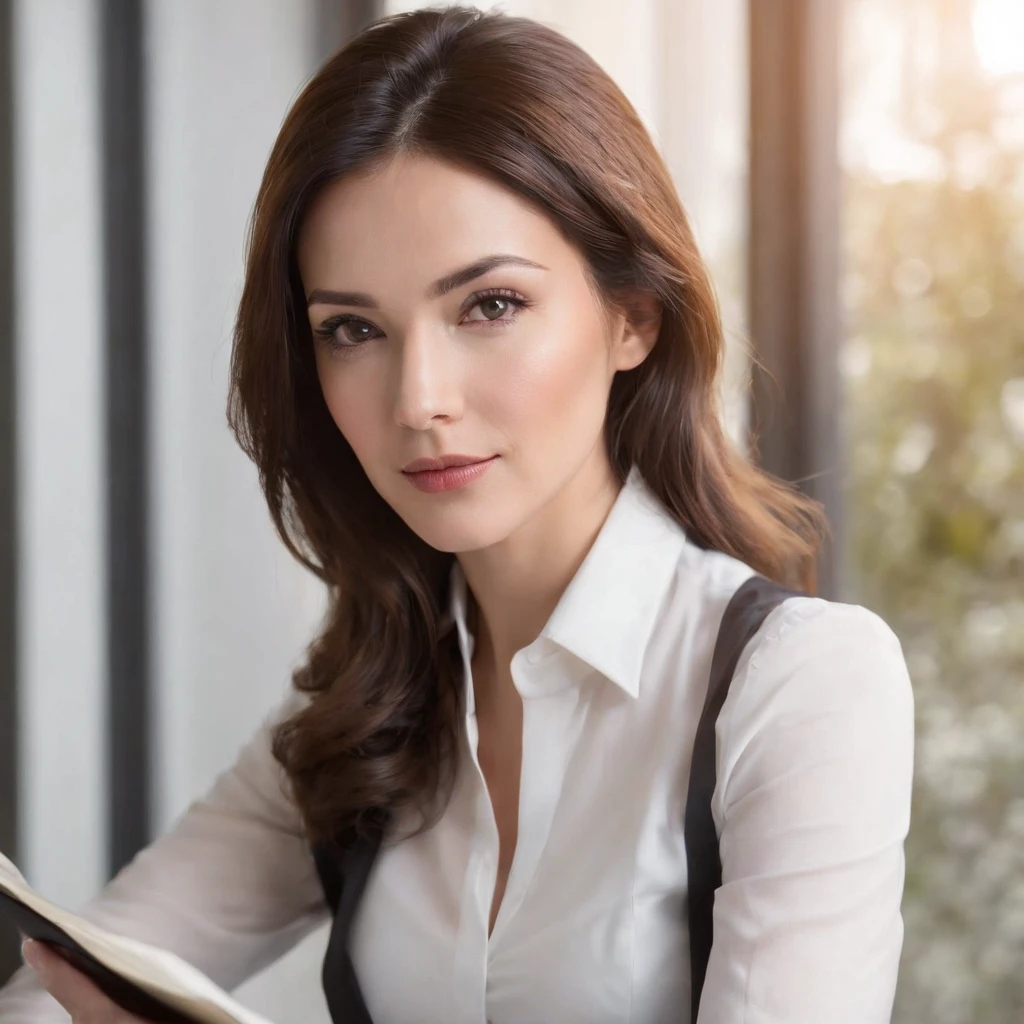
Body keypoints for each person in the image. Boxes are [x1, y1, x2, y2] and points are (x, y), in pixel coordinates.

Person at [0, 5, 915, 1023]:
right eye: (352, 328)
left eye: (488, 305)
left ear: (632, 316)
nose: (417, 399)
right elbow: (58, 987)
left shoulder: (797, 685)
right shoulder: (363, 715)